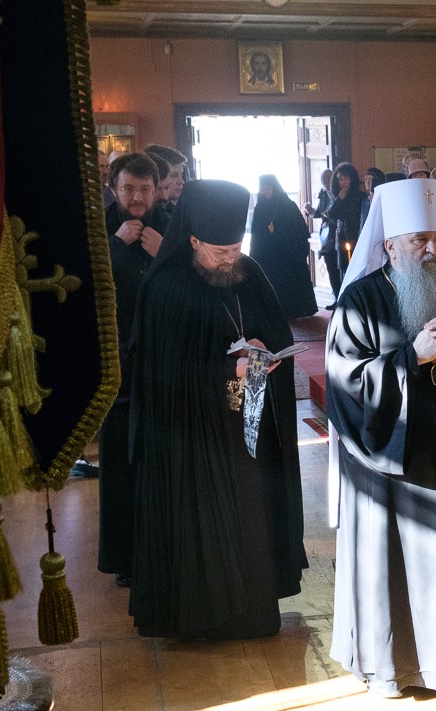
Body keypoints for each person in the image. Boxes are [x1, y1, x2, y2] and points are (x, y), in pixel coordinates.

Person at [326, 178, 436, 697]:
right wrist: (410, 359)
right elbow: (346, 384)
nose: (430, 250)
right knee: (395, 567)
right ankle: (394, 666)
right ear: (389, 245)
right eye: (418, 240)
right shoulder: (359, 301)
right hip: (390, 464)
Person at [128, 179, 307, 639]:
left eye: (236, 247)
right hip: (192, 438)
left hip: (248, 425)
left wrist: (264, 350)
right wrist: (227, 370)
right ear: (192, 240)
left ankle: (254, 613)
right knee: (203, 525)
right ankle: (202, 621)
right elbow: (161, 374)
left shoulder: (249, 272)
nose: (231, 258)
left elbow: (278, 332)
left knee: (252, 515)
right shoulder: (167, 287)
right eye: (220, 251)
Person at [98, 153, 169, 587]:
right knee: (121, 465)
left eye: (145, 189)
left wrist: (165, 254)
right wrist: (114, 245)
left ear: (156, 189)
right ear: (114, 188)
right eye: (129, 189)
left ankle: (163, 549)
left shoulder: (173, 228)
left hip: (163, 364)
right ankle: (125, 557)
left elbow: (191, 283)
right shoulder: (98, 231)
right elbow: (81, 285)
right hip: (118, 368)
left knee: (161, 461)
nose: (137, 197)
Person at [249, 175, 318, 319]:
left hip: (287, 253)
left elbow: (300, 230)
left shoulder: (288, 205)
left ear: (274, 187)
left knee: (290, 283)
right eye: (263, 188)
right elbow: (255, 234)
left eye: (269, 187)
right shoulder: (260, 207)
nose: (266, 190)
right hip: (267, 255)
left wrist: (297, 249)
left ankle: (296, 310)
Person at [324, 162, 367, 307]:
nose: (343, 182)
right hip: (341, 238)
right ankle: (341, 300)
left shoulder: (360, 196)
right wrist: (338, 199)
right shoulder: (337, 197)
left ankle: (356, 302)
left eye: (346, 179)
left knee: (356, 272)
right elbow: (332, 215)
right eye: (340, 179)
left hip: (356, 238)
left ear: (352, 179)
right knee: (342, 270)